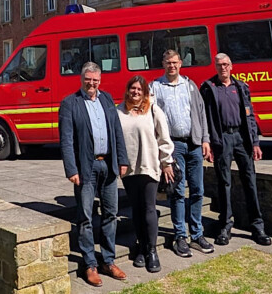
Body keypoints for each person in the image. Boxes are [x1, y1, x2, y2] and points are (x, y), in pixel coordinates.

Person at [59, 62, 130, 287]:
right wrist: (71, 169)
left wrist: (123, 160)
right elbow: (67, 140)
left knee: (111, 214)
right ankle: (90, 264)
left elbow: (117, 131)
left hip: (108, 165)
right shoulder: (70, 103)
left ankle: (108, 261)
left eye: (95, 80)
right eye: (88, 79)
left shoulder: (107, 99)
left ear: (100, 80)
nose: (92, 83)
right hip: (86, 167)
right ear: (82, 79)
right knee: (86, 217)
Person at [200, 53, 272, 247]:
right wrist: (207, 143)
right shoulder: (209, 88)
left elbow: (250, 115)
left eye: (225, 64)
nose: (223, 68)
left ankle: (258, 227)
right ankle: (225, 227)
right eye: (219, 65)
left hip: (242, 138)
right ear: (215, 67)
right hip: (221, 139)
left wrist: (255, 143)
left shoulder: (241, 87)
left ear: (231, 66)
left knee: (250, 182)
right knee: (224, 184)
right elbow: (204, 117)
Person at [150, 50, 214, 258]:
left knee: (197, 190)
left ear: (180, 64)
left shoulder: (190, 85)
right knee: (177, 192)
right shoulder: (156, 87)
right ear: (163, 64)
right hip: (173, 146)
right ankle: (180, 236)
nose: (172, 66)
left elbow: (201, 113)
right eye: (168, 62)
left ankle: (196, 234)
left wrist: (205, 140)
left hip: (194, 144)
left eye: (175, 62)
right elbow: (150, 118)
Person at [117, 75, 174, 273]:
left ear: (145, 92)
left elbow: (164, 138)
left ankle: (152, 251)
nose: (136, 92)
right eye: (133, 88)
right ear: (128, 90)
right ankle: (141, 247)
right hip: (129, 169)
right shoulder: (119, 111)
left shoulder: (153, 110)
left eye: (139, 89)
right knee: (136, 209)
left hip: (149, 166)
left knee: (149, 208)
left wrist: (167, 162)